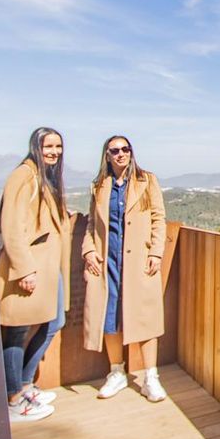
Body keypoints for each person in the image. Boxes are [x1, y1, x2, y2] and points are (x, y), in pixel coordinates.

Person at [82, 135, 169, 402]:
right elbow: (90, 226)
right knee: (109, 317)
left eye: (126, 149)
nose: (121, 154)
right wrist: (88, 250)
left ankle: (150, 377)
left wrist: (156, 252)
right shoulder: (99, 186)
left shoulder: (147, 180)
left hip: (139, 262)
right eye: (115, 150)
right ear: (106, 155)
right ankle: (117, 372)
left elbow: (158, 218)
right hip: (107, 263)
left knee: (145, 318)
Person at [0, 126, 72, 423]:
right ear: (35, 147)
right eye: (48, 146)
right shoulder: (23, 176)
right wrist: (24, 269)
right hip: (31, 266)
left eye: (58, 147)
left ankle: (25, 384)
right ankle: (14, 398)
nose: (54, 151)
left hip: (48, 266)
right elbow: (12, 226)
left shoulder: (41, 176)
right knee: (16, 330)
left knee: (55, 320)